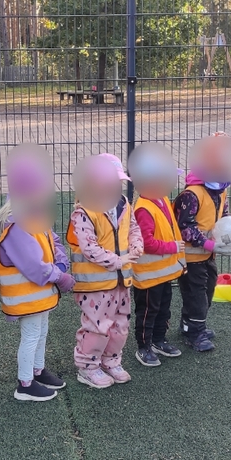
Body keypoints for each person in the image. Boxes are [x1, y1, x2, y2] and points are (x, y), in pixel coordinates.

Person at [0, 145, 73, 401]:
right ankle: (25, 384)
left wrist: (61, 261)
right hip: (28, 297)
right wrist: (60, 276)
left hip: (40, 295)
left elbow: (53, 240)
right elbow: (33, 265)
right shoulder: (17, 225)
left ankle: (37, 370)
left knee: (41, 332)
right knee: (31, 336)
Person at [67, 153, 142, 389]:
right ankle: (88, 367)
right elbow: (89, 247)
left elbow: (133, 228)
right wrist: (118, 260)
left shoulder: (123, 204)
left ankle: (111, 361)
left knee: (120, 325)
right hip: (95, 284)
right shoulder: (84, 211)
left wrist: (137, 244)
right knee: (96, 326)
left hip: (121, 280)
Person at [174, 133, 231, 353]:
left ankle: (189, 324)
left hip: (208, 256)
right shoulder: (191, 194)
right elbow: (185, 227)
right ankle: (195, 333)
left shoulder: (221, 191)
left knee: (208, 291)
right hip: (191, 258)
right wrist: (208, 243)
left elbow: (224, 218)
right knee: (196, 296)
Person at [128, 143, 185, 367]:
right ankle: (144, 346)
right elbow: (147, 243)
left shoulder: (161, 200)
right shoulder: (144, 208)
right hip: (148, 275)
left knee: (163, 309)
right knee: (147, 312)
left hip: (162, 273)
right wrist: (172, 247)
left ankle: (159, 341)